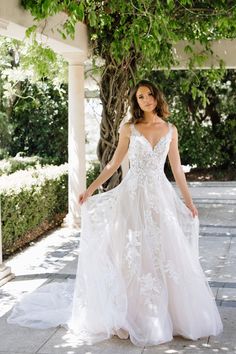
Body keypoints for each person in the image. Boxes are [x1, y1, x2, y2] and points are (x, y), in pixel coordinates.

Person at [7, 80, 223, 347]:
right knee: (131, 251)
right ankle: (127, 313)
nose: (145, 100)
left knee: (162, 250)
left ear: (157, 97)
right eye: (140, 96)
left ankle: (167, 313)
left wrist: (189, 203)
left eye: (149, 95)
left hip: (159, 197)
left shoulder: (170, 129)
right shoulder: (128, 128)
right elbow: (114, 164)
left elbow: (177, 169)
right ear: (136, 101)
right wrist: (90, 189)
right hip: (131, 197)